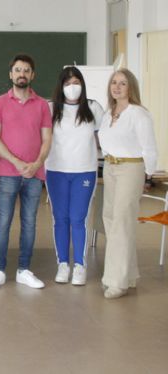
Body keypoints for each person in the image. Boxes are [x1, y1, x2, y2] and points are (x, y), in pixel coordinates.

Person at [0, 54, 52, 291]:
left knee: (30, 223)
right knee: (3, 222)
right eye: (17, 70)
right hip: (7, 173)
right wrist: (17, 162)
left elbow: (47, 139)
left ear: (32, 75)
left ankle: (24, 270)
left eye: (26, 70)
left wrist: (35, 164)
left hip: (35, 174)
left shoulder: (42, 105)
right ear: (10, 74)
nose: (21, 74)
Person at [98, 68, 157, 299]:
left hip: (131, 168)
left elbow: (149, 147)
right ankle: (129, 275)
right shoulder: (108, 113)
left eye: (122, 83)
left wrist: (148, 175)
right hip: (111, 167)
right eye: (114, 82)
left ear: (130, 87)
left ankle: (116, 281)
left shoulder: (138, 114)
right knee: (111, 220)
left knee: (121, 223)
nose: (117, 87)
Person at [46, 67, 104, 286]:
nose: (73, 87)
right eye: (68, 83)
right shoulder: (50, 108)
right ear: (61, 86)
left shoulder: (93, 107)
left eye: (76, 82)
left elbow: (103, 138)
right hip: (56, 170)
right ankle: (63, 263)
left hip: (84, 171)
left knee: (78, 218)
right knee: (60, 219)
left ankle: (79, 265)